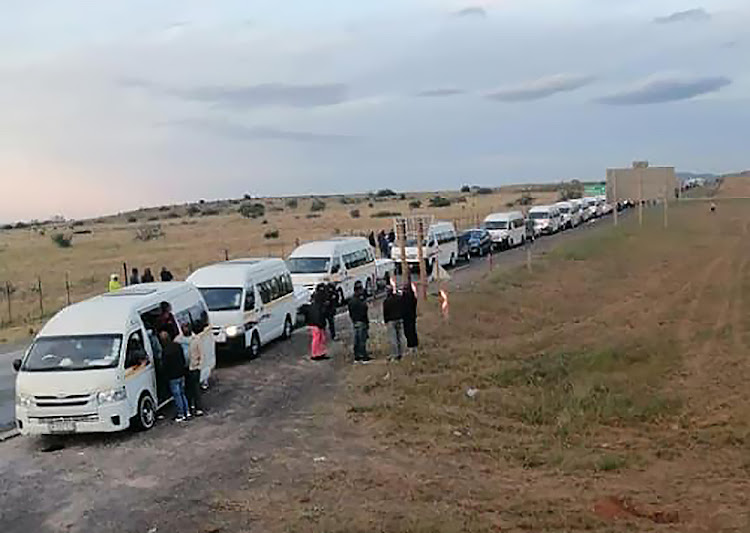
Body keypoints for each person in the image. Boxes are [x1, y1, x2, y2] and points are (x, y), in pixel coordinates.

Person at [160, 331, 190, 422]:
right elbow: (183, 358)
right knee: (182, 393)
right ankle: (187, 411)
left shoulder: (165, 351)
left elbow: (165, 366)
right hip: (181, 373)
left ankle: (181, 414)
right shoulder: (177, 346)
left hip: (173, 377)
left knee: (177, 396)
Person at [347, 281, 371, 364]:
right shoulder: (360, 301)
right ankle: (363, 355)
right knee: (362, 339)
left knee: (356, 339)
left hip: (355, 321)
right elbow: (364, 311)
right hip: (362, 321)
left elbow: (350, 311)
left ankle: (357, 355)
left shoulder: (351, 300)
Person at [185, 324, 205, 416]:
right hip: (186, 368)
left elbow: (201, 354)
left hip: (194, 367)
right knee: (188, 389)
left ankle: (199, 408)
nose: (185, 330)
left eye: (186, 328)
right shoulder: (181, 339)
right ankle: (190, 406)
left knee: (196, 389)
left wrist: (199, 366)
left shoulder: (196, 339)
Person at [307, 285, 328, 360]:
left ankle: (319, 352)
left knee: (320, 338)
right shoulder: (319, 306)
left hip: (315, 324)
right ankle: (315, 353)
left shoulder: (314, 305)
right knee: (317, 338)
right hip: (317, 324)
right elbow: (319, 316)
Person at [383, 286, 404, 361]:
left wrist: (385, 321)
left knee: (393, 339)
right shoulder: (399, 298)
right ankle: (401, 353)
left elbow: (385, 312)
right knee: (400, 337)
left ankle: (395, 354)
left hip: (391, 321)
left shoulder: (386, 301)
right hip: (399, 319)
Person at [401, 282, 419, 351]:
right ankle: (414, 344)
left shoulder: (404, 298)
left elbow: (402, 307)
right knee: (412, 330)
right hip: (412, 316)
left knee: (408, 332)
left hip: (407, 317)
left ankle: (411, 345)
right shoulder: (412, 298)